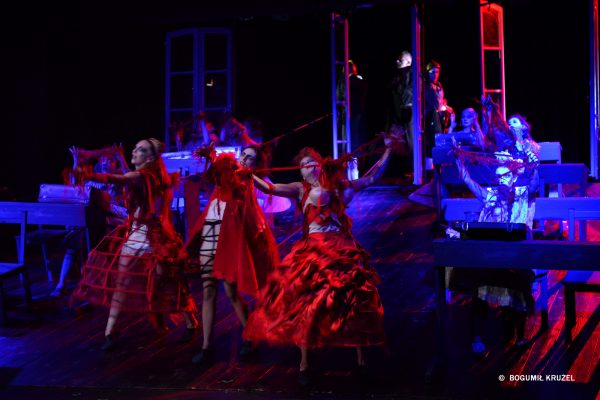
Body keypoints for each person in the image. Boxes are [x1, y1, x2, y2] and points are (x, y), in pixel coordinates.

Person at [243, 137, 392, 385]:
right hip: (313, 250)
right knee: (307, 302)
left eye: (311, 163)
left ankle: (361, 360)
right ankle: (304, 363)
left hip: (340, 247)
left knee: (353, 300)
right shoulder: (299, 189)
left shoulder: (338, 187)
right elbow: (270, 188)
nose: (307, 167)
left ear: (320, 165)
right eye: (303, 165)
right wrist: (249, 175)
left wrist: (388, 150)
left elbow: (372, 178)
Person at [71, 138, 198, 351]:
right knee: (145, 282)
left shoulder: (141, 176)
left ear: (150, 158)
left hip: (150, 237)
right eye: (136, 148)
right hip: (149, 236)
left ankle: (188, 321)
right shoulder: (158, 176)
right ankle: (110, 332)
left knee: (162, 282)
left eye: (140, 150)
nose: (135, 151)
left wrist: (87, 174)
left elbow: (116, 178)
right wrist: (119, 157)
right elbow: (127, 176)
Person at [186, 145, 279, 365]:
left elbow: (236, 189)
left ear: (255, 165)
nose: (244, 159)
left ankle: (250, 335)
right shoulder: (226, 170)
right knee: (208, 291)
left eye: (250, 158)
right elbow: (214, 176)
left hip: (227, 240)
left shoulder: (245, 180)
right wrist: (211, 159)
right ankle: (206, 346)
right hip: (210, 232)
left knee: (231, 292)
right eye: (243, 155)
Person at [452, 150, 539, 356]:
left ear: (513, 178)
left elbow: (534, 185)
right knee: (480, 287)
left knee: (519, 283)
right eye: (499, 177)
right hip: (491, 258)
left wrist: (535, 167)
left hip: (514, 260)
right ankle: (476, 336)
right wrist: (457, 158)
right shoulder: (489, 195)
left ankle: (520, 336)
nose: (502, 180)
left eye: (506, 176)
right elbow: (467, 179)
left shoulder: (521, 195)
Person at [50, 146, 129, 298]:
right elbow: (75, 182)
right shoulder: (94, 179)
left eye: (110, 160)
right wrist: (76, 160)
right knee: (74, 242)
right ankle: (61, 283)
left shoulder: (119, 179)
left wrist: (121, 157)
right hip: (94, 223)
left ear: (115, 164)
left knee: (97, 240)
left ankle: (99, 282)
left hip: (113, 221)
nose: (105, 162)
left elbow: (129, 178)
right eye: (103, 160)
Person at [424, 60, 453, 158]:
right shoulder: (428, 86)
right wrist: (445, 107)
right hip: (431, 116)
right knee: (435, 141)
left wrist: (445, 106)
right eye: (432, 72)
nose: (435, 75)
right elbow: (435, 104)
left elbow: (442, 100)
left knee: (442, 137)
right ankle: (432, 163)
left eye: (437, 72)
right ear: (428, 73)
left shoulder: (439, 85)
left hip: (440, 115)